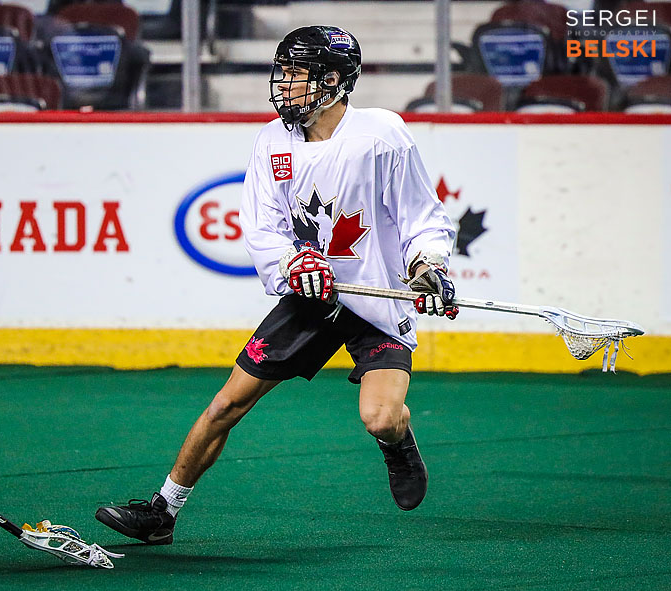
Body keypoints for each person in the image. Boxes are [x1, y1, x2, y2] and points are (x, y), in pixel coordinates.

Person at [95, 26, 459, 546]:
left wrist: (427, 266)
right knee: (226, 404)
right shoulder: (272, 140)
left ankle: (398, 441)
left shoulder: (381, 135)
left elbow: (422, 216)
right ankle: (162, 511)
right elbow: (263, 227)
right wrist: (295, 263)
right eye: (282, 72)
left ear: (335, 81)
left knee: (379, 418)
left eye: (297, 74)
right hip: (311, 296)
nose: (283, 84)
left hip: (375, 300)